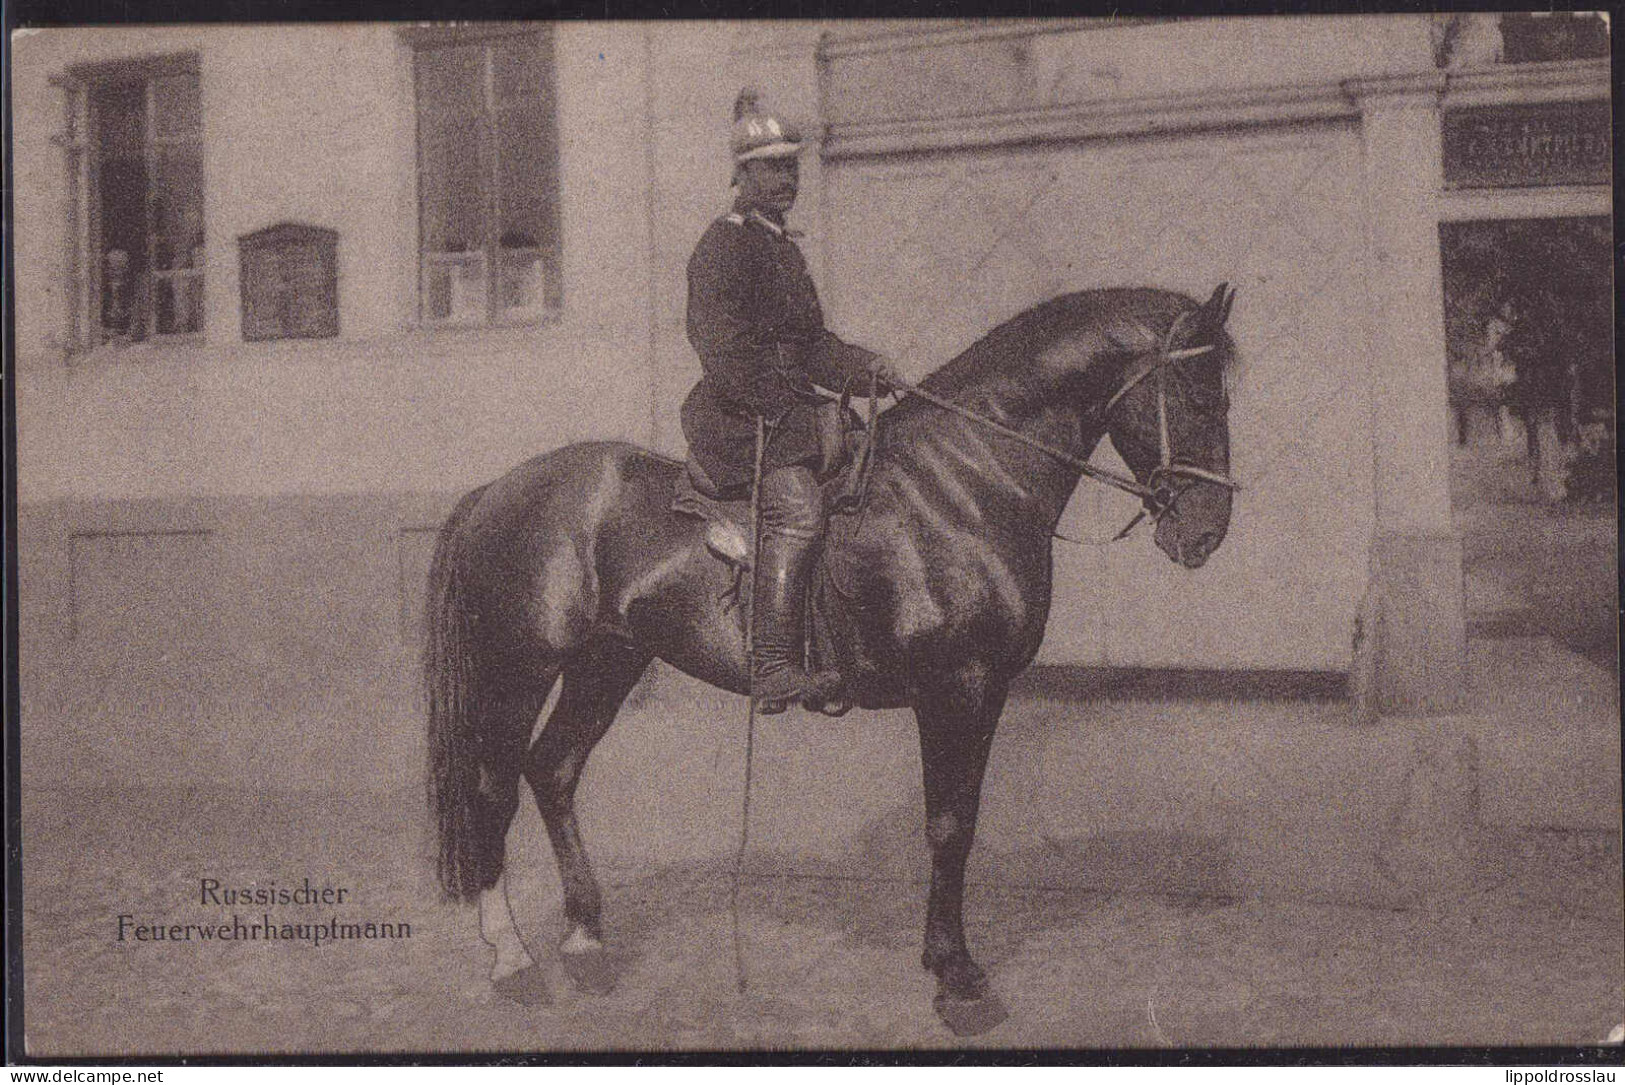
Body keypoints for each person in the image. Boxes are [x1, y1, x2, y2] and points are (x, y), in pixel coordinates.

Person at [681, 89, 901, 712]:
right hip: (738, 415)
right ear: (741, 174)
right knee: (798, 509)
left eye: (791, 167)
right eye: (771, 168)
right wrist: (788, 410)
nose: (785, 180)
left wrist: (868, 370)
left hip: (792, 414)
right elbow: (719, 349)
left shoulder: (783, 248)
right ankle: (774, 663)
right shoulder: (722, 245)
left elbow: (813, 347)